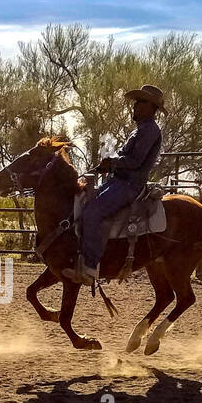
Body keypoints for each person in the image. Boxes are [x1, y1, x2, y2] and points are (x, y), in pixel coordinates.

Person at [61, 84, 165, 283]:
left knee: (93, 212)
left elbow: (136, 161)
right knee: (83, 203)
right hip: (118, 181)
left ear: (151, 107)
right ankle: (81, 257)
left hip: (129, 185)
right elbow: (125, 155)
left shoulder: (150, 130)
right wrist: (108, 163)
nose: (135, 105)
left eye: (140, 101)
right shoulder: (141, 129)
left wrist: (113, 163)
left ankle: (90, 268)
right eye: (136, 101)